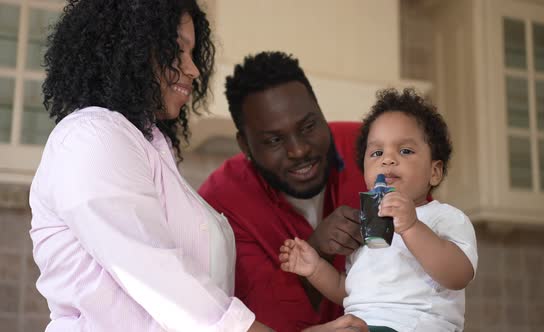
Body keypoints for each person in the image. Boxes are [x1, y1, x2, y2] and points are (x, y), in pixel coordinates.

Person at [29, 1, 367, 331]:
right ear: (129, 49)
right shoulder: (92, 136)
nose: (193, 69)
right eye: (178, 51)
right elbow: (160, 281)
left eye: (193, 54)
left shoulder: (147, 146)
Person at [279, 88, 478, 332]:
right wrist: (315, 269)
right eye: (376, 153)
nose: (388, 159)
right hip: (362, 325)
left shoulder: (445, 217)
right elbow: (348, 290)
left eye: (405, 151)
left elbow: (458, 276)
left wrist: (412, 226)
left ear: (434, 172)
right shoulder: (369, 224)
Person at [198, 51, 368, 331]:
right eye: (274, 140)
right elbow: (272, 323)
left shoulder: (372, 149)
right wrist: (316, 249)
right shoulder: (221, 203)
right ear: (245, 145)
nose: (299, 150)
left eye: (309, 126)